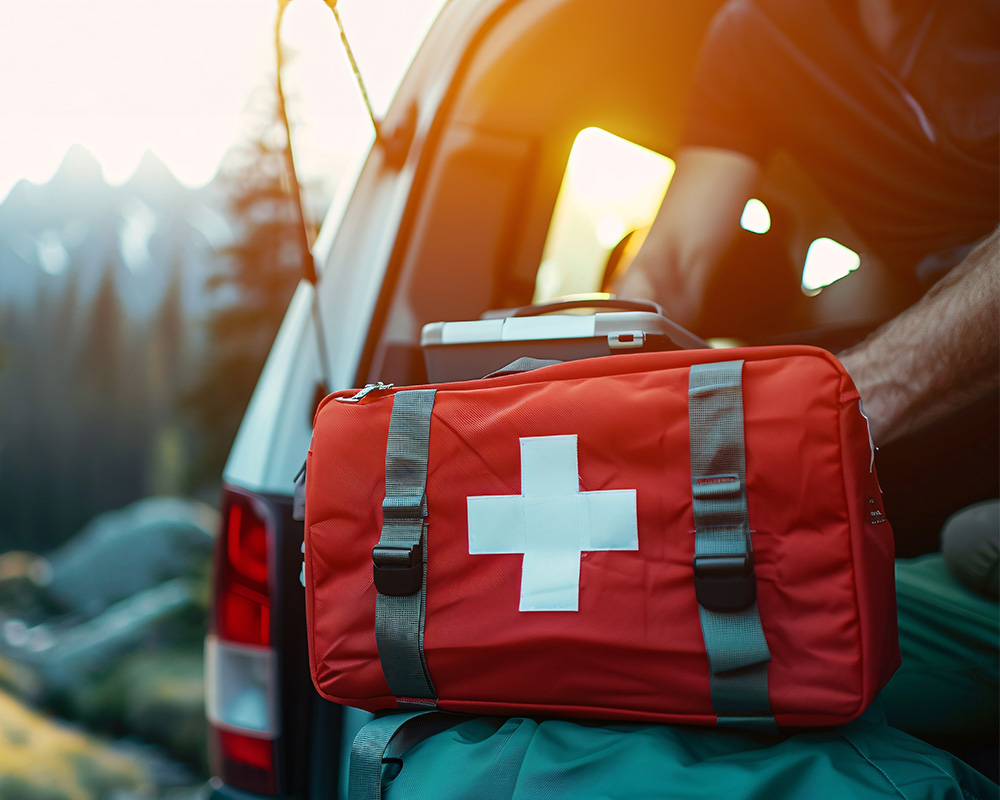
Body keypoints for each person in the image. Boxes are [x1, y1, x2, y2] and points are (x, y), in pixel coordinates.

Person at [617, 0, 999, 767]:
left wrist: (851, 397)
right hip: (934, 417)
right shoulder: (757, 34)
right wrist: (590, 386)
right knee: (664, 638)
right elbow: (675, 261)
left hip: (936, 399)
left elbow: (872, 389)